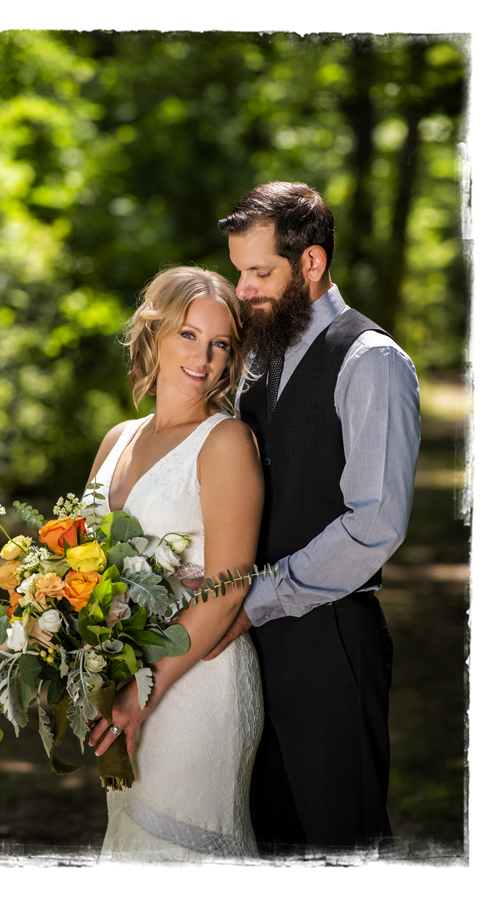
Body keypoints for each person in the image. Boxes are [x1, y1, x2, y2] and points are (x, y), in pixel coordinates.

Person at [205, 181, 421, 857]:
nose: (243, 289)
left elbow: (374, 523)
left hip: (331, 644)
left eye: (259, 272)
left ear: (313, 264)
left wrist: (256, 599)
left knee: (342, 843)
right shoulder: (263, 358)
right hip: (252, 647)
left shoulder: (370, 361)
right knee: (271, 841)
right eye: (240, 271)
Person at [86, 266, 265, 863]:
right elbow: (81, 564)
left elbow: (229, 586)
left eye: (220, 344)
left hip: (195, 685)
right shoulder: (117, 439)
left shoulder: (227, 441)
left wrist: (146, 690)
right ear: (154, 333)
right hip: (120, 681)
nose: (205, 357)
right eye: (189, 335)